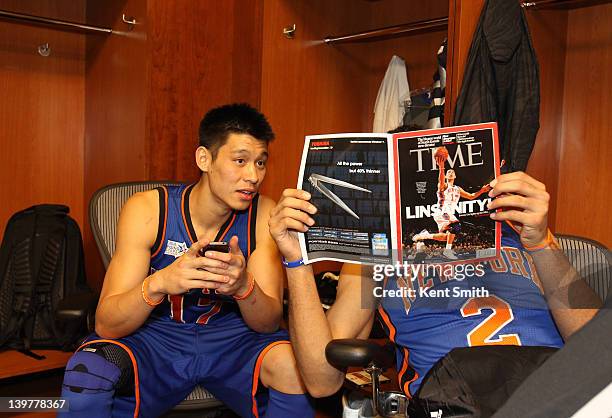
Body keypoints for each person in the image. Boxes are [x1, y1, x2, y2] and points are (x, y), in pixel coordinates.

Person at [60, 104, 313, 418]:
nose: (253, 176)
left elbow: (267, 323)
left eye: (261, 162)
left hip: (232, 338)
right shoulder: (149, 209)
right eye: (240, 161)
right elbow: (106, 323)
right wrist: (160, 283)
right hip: (157, 336)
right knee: (89, 370)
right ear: (204, 159)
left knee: (294, 366)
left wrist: (243, 286)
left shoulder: (264, 214)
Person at [268, 171, 601, 409]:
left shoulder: (519, 232)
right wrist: (296, 261)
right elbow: (321, 380)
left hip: (557, 389)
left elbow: (598, 350)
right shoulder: (374, 258)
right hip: (457, 399)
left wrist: (542, 243)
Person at [412, 149, 491, 260]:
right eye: (448, 172)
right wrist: (441, 167)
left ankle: (425, 235)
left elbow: (471, 196)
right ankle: (447, 251)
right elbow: (440, 178)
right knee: (456, 226)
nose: (450, 172)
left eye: (452, 172)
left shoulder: (458, 189)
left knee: (446, 237)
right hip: (442, 210)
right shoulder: (443, 185)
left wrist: (482, 191)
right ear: (446, 176)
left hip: (446, 213)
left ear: (455, 176)